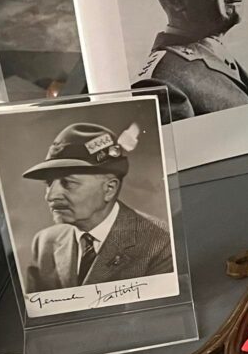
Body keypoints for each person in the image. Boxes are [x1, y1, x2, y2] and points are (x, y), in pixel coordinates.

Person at [22, 123, 172, 293]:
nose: (50, 196)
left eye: (68, 183)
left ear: (109, 189)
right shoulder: (45, 243)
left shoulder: (161, 243)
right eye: (49, 183)